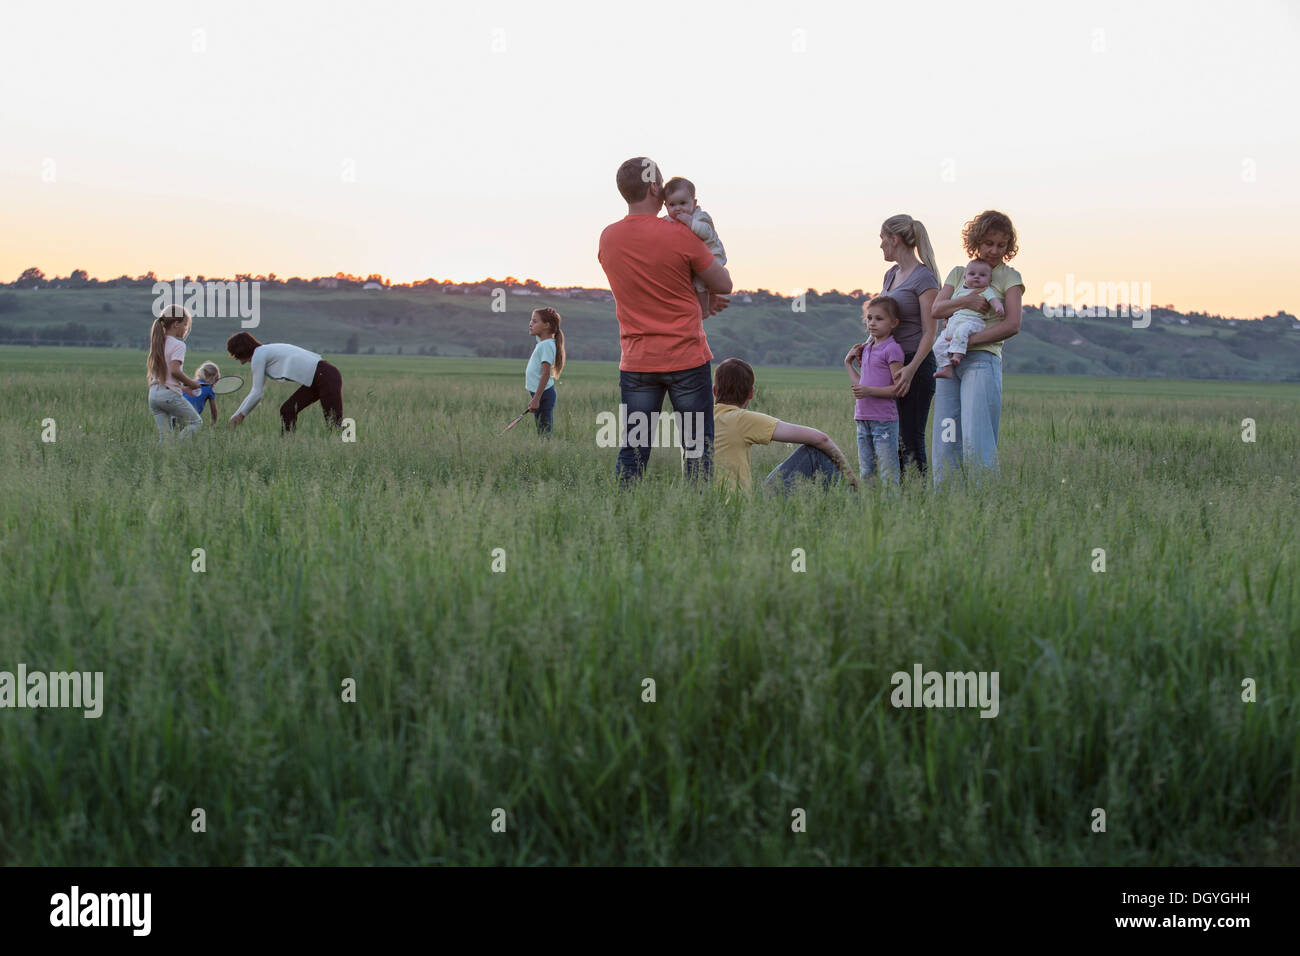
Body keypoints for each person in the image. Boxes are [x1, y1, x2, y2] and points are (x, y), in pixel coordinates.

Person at [598, 157, 733, 483]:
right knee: (697, 447)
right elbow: (724, 283)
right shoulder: (678, 233)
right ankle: (699, 518)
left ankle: (622, 513)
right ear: (655, 187)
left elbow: (646, 285)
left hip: (636, 361)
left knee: (633, 448)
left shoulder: (608, 238)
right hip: (685, 356)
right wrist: (700, 300)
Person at [930, 210, 1025, 485]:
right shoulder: (960, 273)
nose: (995, 250)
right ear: (976, 242)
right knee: (946, 433)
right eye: (988, 243)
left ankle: (984, 502)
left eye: (1002, 245)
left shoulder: (1010, 277)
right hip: (948, 364)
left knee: (977, 435)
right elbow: (937, 309)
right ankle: (948, 503)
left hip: (982, 361)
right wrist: (967, 301)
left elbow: (1012, 324)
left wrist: (966, 342)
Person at [847, 214, 941, 477]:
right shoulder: (891, 275)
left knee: (910, 437)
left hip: (914, 365)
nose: (880, 246)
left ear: (894, 239)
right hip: (887, 363)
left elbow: (930, 332)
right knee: (889, 436)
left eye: (882, 239)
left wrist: (910, 369)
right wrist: (865, 347)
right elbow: (883, 317)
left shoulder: (924, 278)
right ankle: (894, 498)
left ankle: (917, 497)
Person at [712, 358, 858, 494]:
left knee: (779, 469)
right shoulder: (742, 419)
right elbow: (821, 439)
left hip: (711, 502)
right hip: (738, 504)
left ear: (714, 390)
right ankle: (854, 500)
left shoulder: (701, 418)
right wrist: (849, 475)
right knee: (813, 452)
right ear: (751, 393)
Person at [225, 333, 344, 433]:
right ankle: (288, 446)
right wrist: (234, 417)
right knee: (288, 410)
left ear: (242, 350)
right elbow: (254, 392)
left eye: (238, 357)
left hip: (326, 376)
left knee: (334, 423)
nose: (241, 362)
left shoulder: (259, 355)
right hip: (318, 378)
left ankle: (349, 444)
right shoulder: (263, 352)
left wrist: (241, 416)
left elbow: (257, 393)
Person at [846, 297, 906, 485]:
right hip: (862, 419)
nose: (872, 323)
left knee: (889, 473)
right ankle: (870, 509)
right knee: (866, 472)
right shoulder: (868, 348)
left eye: (879, 319)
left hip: (884, 421)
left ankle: (891, 509)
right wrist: (848, 364)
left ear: (894, 323)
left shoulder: (892, 349)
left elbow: (898, 389)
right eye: (869, 318)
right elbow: (861, 385)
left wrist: (869, 391)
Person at [663, 176, 726, 321]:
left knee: (699, 282)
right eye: (672, 205)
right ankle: (707, 298)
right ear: (666, 206)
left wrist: (690, 222)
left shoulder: (700, 217)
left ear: (694, 202)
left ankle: (704, 311)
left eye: (683, 203)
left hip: (713, 255)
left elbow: (705, 233)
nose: (678, 208)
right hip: (696, 259)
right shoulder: (670, 220)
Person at [933, 260, 1003, 378]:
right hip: (954, 322)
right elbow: (943, 309)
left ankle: (957, 355)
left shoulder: (985, 290)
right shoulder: (959, 290)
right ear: (965, 277)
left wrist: (998, 307)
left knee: (962, 331)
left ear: (989, 280)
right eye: (972, 274)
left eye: (982, 275)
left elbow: (993, 300)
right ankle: (946, 368)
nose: (976, 277)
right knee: (938, 345)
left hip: (973, 321)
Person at [146, 305, 202, 440]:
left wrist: (183, 386)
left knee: (164, 437)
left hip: (153, 395)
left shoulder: (158, 343)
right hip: (168, 395)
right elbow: (175, 371)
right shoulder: (179, 345)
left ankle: (162, 456)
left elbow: (167, 375)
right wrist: (192, 384)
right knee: (196, 422)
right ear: (176, 324)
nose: (186, 329)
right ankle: (178, 448)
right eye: (185, 325)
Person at [524, 307, 565, 435]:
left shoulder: (547, 345)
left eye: (535, 321)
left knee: (544, 432)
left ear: (546, 325)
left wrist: (536, 399)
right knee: (541, 430)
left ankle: (547, 452)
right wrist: (551, 315)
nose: (530, 324)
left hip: (543, 394)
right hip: (542, 394)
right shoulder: (543, 342)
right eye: (531, 320)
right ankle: (544, 451)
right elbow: (542, 333)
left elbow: (546, 374)